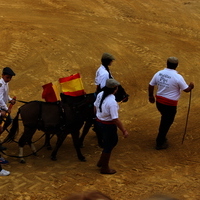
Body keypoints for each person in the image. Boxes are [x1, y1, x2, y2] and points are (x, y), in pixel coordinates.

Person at [148, 57, 194, 150]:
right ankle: (160, 142)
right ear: (176, 65)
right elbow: (186, 90)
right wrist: (191, 86)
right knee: (166, 122)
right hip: (170, 104)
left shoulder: (159, 73)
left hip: (159, 102)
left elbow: (151, 85)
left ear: (167, 63)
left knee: (165, 119)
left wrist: (151, 96)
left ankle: (161, 137)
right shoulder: (178, 77)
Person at [94, 78, 128, 174]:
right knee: (109, 145)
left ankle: (101, 162)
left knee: (109, 143)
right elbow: (115, 119)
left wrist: (96, 118)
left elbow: (95, 106)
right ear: (115, 89)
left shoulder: (100, 94)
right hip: (107, 125)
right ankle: (104, 168)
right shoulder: (111, 102)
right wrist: (124, 130)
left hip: (99, 122)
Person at [0, 67, 16, 167]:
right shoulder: (0, 85)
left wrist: (10, 99)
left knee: (8, 121)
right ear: (2, 75)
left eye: (10, 78)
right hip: (0, 109)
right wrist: (6, 108)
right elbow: (0, 99)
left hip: (2, 108)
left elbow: (5, 96)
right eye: (7, 77)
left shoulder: (5, 84)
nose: (8, 79)